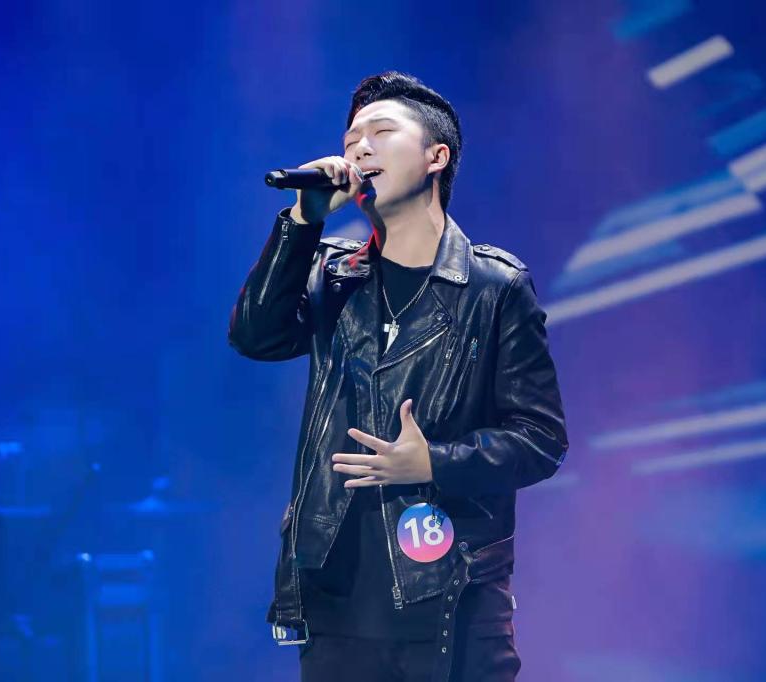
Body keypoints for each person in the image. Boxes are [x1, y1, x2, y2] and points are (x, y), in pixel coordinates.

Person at [229, 71, 569, 682]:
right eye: (351, 138)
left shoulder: (494, 287)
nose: (359, 149)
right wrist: (303, 222)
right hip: (335, 598)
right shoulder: (334, 275)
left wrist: (433, 462)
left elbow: (541, 439)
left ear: (437, 157)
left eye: (381, 133)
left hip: (450, 600)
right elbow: (256, 336)